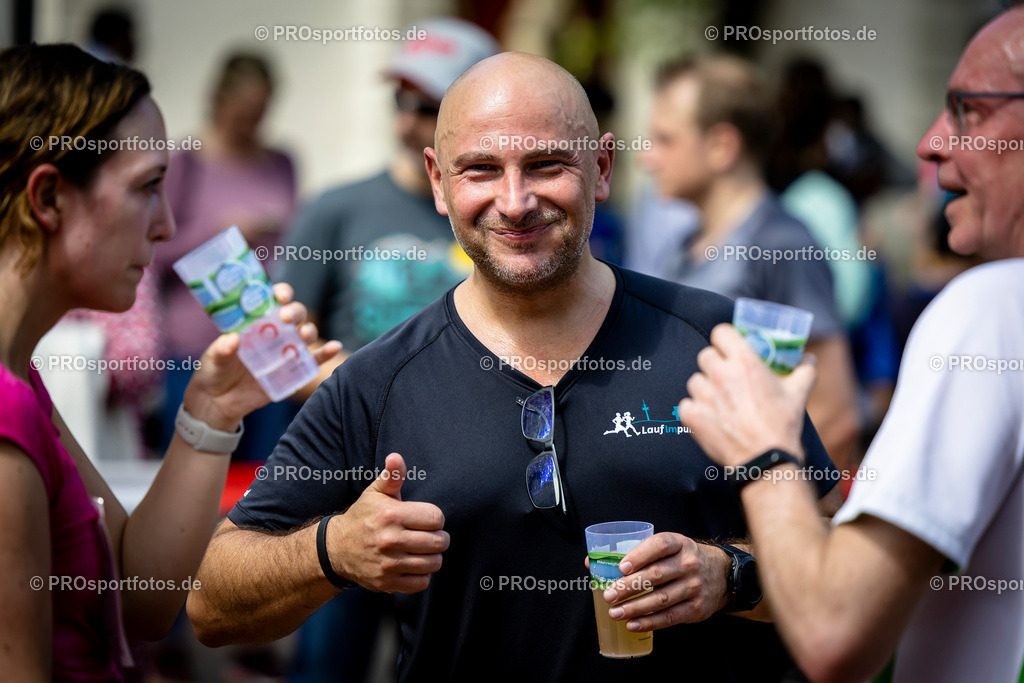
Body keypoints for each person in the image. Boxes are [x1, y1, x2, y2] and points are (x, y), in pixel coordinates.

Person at [189, 52, 842, 681]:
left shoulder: (716, 341)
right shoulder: (377, 380)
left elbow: (837, 569)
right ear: (438, 182)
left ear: (604, 166)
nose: (516, 200)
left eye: (546, 163)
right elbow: (210, 602)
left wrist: (727, 575)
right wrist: (332, 549)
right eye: (479, 169)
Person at [678, 8, 1024, 681]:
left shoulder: (995, 305)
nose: (927, 144)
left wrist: (762, 446)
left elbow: (835, 631)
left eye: (968, 111)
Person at [0, 44, 338, 680]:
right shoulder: (4, 410)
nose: (167, 226)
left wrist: (213, 409)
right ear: (48, 199)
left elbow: (140, 598)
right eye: (148, 188)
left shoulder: (22, 383)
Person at [279, 19, 498, 683]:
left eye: (426, 102)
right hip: (345, 482)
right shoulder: (337, 209)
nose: (408, 118)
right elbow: (278, 345)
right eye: (398, 99)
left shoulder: (506, 213)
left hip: (473, 484)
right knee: (328, 662)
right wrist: (326, 385)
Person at [641, 55, 862, 471]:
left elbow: (835, 413)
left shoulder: (781, 243)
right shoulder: (680, 245)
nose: (646, 158)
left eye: (665, 140)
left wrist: (763, 518)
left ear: (722, 146)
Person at [153, 52, 297, 461]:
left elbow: (296, 237)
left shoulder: (282, 162)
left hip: (262, 336)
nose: (252, 121)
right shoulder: (186, 162)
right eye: (244, 110)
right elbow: (155, 249)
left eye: (260, 111)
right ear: (219, 100)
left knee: (266, 468)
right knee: (193, 461)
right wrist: (219, 234)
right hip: (194, 345)